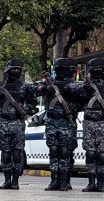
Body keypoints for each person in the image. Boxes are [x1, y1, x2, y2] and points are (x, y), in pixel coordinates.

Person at [0, 59, 36, 190]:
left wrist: (24, 110)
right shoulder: (0, 85)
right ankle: (7, 180)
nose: (16, 71)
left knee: (17, 153)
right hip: (4, 122)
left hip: (18, 122)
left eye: (18, 69)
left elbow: (33, 103)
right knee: (5, 152)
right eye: (13, 69)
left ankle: (15, 181)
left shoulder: (24, 87)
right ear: (8, 70)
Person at [35, 58, 83, 191]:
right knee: (54, 152)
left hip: (67, 122)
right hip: (52, 123)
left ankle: (64, 182)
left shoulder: (73, 85)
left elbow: (83, 96)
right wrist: (46, 87)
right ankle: (54, 181)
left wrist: (69, 93)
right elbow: (34, 89)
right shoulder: (49, 83)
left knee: (65, 152)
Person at [79, 58, 104, 192]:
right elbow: (79, 100)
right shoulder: (85, 86)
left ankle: (101, 184)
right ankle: (91, 183)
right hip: (89, 122)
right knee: (90, 153)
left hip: (103, 122)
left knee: (102, 154)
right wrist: (85, 89)